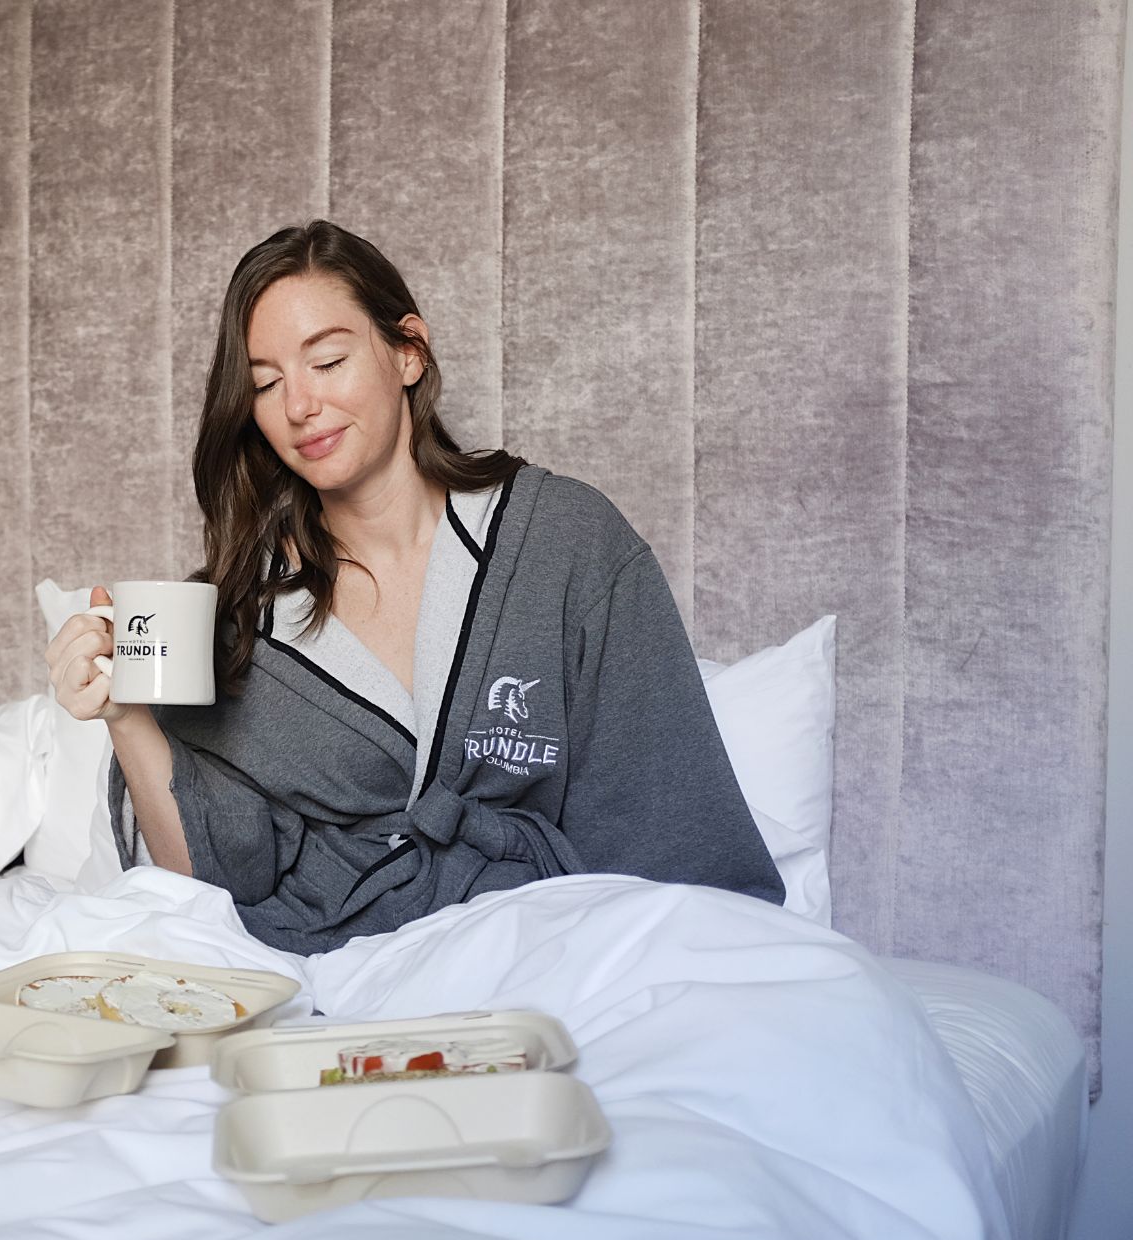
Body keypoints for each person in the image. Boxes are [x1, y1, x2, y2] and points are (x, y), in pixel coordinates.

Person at [45, 220, 782, 955]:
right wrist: (126, 717)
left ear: (408, 351)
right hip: (331, 962)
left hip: (542, 942)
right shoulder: (241, 612)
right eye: (267, 383)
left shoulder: (561, 543)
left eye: (328, 361)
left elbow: (670, 822)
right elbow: (212, 881)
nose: (298, 405)